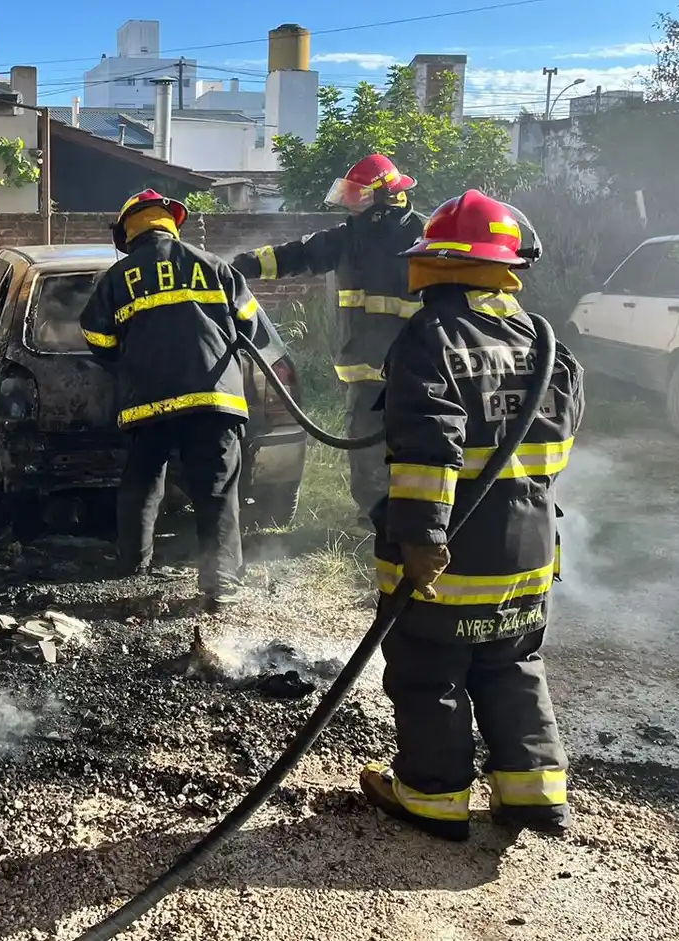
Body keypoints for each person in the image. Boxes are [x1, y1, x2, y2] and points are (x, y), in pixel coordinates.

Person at [358, 189, 584, 842]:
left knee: (430, 670)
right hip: (530, 552)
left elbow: (430, 446)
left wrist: (422, 538)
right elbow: (557, 443)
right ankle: (535, 794)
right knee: (512, 665)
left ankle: (432, 795)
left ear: (444, 264)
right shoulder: (547, 344)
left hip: (450, 559)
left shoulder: (431, 337)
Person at [80, 189, 262, 611]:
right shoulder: (215, 267)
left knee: (143, 481)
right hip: (214, 396)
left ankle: (132, 566)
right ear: (171, 224)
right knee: (216, 487)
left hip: (148, 399)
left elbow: (96, 337)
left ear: (128, 230)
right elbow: (248, 325)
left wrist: (125, 362)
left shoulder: (116, 278)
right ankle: (219, 583)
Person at [230, 154, 425, 523]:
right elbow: (297, 254)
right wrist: (243, 264)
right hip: (385, 373)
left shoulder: (424, 238)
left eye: (357, 196)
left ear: (380, 197)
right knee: (372, 453)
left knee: (412, 449)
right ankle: (378, 521)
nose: (351, 204)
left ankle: (410, 521)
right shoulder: (356, 235)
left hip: (413, 374)